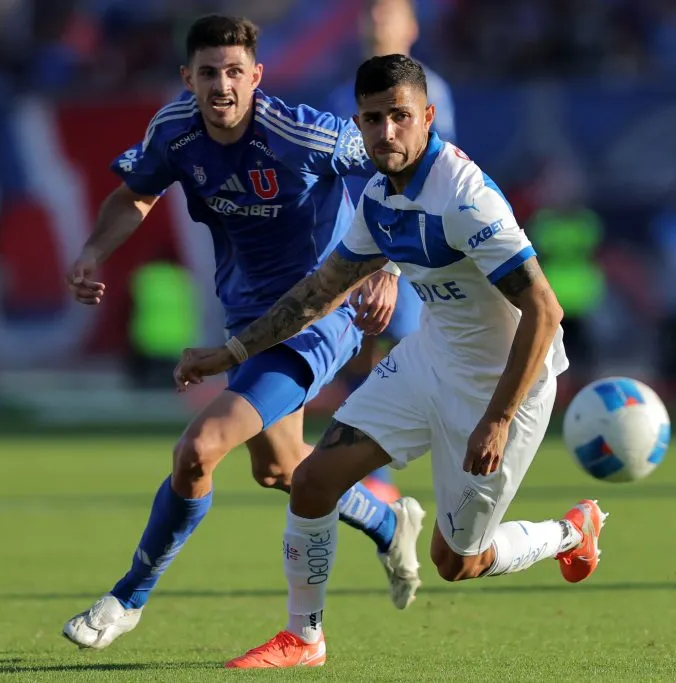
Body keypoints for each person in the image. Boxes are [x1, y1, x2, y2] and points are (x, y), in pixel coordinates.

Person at [175, 55, 608, 669]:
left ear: (428, 118)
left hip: (501, 385)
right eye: (373, 119)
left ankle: (570, 532)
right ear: (359, 122)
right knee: (313, 481)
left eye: (400, 117)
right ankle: (304, 636)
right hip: (428, 359)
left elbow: (544, 311)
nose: (386, 133)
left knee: (457, 562)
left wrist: (497, 418)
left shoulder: (466, 198)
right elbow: (318, 292)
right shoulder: (378, 196)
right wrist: (234, 352)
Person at [61, 16, 427, 651]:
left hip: (320, 314)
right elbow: (134, 196)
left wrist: (386, 265)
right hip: (249, 318)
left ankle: (127, 598)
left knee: (200, 448)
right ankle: (388, 522)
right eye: (208, 73)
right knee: (282, 471)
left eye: (235, 73)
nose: (221, 86)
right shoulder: (174, 131)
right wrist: (94, 251)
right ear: (189, 79)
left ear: (257, 77)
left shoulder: (299, 133)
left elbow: (393, 166)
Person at [325, 0, 458, 502]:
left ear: (412, 27)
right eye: (370, 14)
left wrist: (396, 261)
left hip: (408, 244)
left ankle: (404, 463)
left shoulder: (432, 92)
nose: (376, 22)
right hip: (356, 240)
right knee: (357, 350)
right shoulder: (344, 93)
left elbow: (438, 176)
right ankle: (373, 473)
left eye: (388, 13)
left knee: (407, 350)